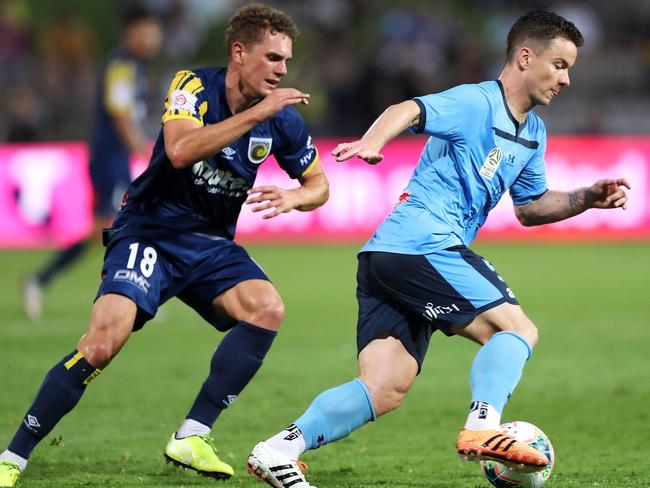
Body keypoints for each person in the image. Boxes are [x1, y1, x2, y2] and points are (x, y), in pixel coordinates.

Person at [247, 10, 630, 488]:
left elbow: (530, 207)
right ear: (525, 57)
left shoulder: (533, 132)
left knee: (384, 388)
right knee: (517, 329)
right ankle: (484, 427)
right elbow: (408, 109)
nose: (566, 79)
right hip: (422, 244)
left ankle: (278, 449)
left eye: (569, 68)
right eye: (559, 64)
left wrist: (585, 199)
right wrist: (371, 141)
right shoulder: (475, 101)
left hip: (387, 257)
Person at [0, 3, 328, 487]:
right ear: (239, 52)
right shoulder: (192, 86)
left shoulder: (282, 120)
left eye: (286, 61)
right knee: (103, 342)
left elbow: (320, 183)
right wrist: (258, 113)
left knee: (266, 308)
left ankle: (193, 435)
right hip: (150, 229)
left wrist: (298, 195)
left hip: (211, 244)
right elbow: (179, 150)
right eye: (273, 58)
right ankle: (13, 457)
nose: (283, 70)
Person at [21, 5, 162, 321]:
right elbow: (120, 114)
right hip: (109, 157)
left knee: (110, 227)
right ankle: (119, 293)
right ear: (133, 31)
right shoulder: (122, 66)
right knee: (117, 226)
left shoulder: (134, 66)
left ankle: (44, 281)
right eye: (149, 29)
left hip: (116, 158)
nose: (155, 36)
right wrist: (144, 151)